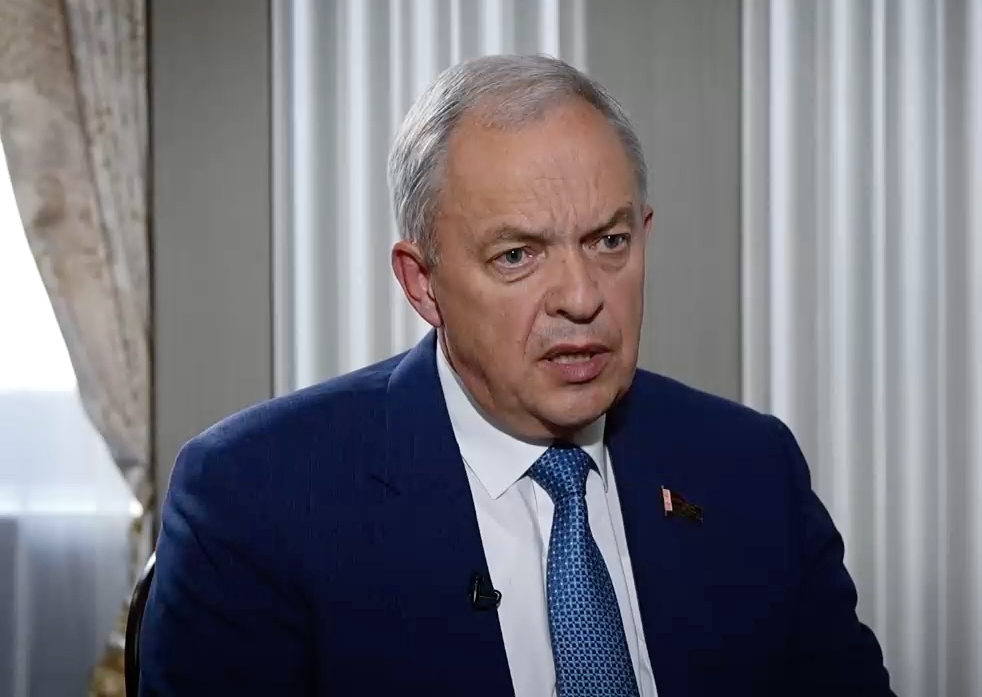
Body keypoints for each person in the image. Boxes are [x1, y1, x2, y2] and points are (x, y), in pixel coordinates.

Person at [138, 54, 893, 696]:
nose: (581, 297)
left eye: (609, 241)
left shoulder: (751, 469)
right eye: (517, 255)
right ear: (422, 284)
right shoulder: (258, 498)